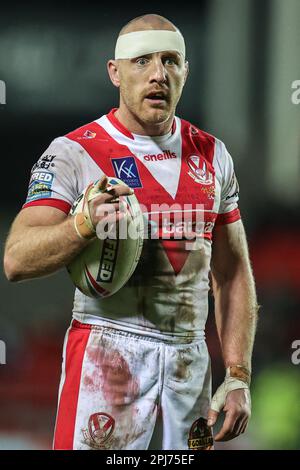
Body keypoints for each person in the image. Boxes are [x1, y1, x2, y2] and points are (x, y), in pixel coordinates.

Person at [3, 14, 258, 450]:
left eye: (171, 60)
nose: (159, 74)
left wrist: (237, 374)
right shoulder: (74, 152)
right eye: (142, 61)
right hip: (108, 357)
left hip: (189, 361)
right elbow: (16, 260)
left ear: (185, 71)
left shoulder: (214, 155)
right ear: (115, 72)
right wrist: (80, 227)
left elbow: (232, 274)